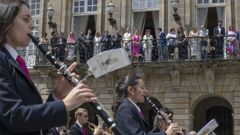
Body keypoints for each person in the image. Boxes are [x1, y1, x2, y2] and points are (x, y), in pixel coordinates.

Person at [0, 0, 96, 134]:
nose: (32, 26)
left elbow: (37, 126)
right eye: (25, 19)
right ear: (6, 21)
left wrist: (57, 95)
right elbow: (14, 117)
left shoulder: (14, 61)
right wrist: (65, 105)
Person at [114, 74, 182, 135]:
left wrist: (160, 128)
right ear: (131, 90)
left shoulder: (132, 108)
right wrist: (166, 133)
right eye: (142, 88)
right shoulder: (125, 109)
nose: (146, 91)